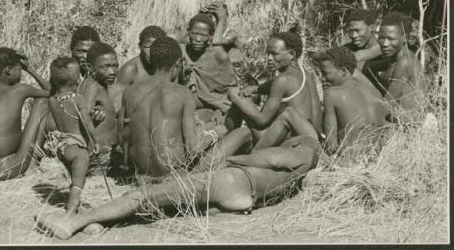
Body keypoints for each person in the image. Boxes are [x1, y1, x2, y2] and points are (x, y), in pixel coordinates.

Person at [35, 108, 320, 240]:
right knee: (165, 204)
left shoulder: (305, 148)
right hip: (245, 199)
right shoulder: (304, 171)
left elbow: (271, 158)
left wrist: (230, 160)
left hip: (233, 181)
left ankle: (73, 222)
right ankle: (100, 223)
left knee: (146, 194)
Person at [120, 36, 250, 177]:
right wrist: (215, 133)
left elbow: (123, 136)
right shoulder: (182, 93)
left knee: (203, 117)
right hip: (175, 175)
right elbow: (193, 149)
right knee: (243, 133)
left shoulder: (130, 91)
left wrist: (126, 164)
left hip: (142, 173)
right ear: (177, 64)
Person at [227, 32, 322, 150]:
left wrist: (236, 97)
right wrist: (256, 89)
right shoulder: (305, 74)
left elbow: (262, 120)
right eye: (267, 53)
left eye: (274, 54)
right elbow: (276, 84)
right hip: (311, 137)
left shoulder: (282, 80)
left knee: (238, 101)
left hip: (285, 141)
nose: (269, 58)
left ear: (292, 54)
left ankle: (225, 134)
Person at [0, 48, 50, 180]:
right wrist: (30, 69)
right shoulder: (19, 90)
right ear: (8, 70)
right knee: (43, 102)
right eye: (19, 70)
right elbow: (56, 93)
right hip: (6, 168)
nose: (21, 73)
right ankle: (33, 165)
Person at [48, 57, 101, 216]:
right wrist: (95, 140)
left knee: (75, 178)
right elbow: (86, 123)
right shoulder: (78, 99)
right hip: (77, 149)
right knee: (78, 182)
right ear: (76, 79)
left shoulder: (52, 100)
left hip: (61, 146)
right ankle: (70, 212)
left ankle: (76, 205)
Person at [318, 47, 386, 155]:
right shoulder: (374, 92)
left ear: (344, 71)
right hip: (378, 155)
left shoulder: (332, 94)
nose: (322, 78)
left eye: (325, 73)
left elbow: (331, 144)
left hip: (350, 158)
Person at [179, 13, 238, 129]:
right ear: (188, 32)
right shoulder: (184, 50)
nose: (198, 39)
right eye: (194, 33)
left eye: (203, 35)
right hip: (194, 100)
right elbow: (172, 42)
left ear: (210, 37)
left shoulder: (218, 54)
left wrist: (222, 19)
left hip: (217, 101)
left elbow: (229, 87)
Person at [377, 14, 427, 121]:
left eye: (391, 39)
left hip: (409, 124)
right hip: (400, 118)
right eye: (381, 38)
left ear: (405, 38)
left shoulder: (405, 62)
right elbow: (366, 67)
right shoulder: (393, 59)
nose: (385, 43)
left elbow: (387, 104)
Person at [77, 42, 119, 156]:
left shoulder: (95, 85)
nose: (112, 72)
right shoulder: (92, 86)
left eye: (115, 66)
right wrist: (92, 120)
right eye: (105, 67)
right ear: (90, 67)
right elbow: (83, 116)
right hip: (99, 156)